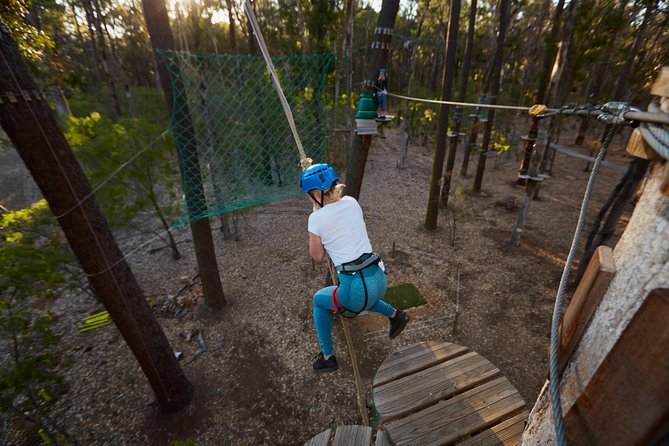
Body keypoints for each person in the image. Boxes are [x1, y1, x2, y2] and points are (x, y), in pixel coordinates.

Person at [301, 163, 409, 373]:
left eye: (308, 194)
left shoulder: (315, 219)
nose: (307, 198)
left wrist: (315, 222)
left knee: (319, 301)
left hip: (356, 290)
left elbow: (318, 256)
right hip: (379, 279)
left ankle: (328, 356)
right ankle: (396, 315)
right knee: (366, 299)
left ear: (316, 193)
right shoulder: (351, 202)